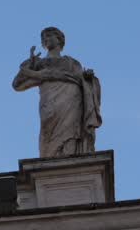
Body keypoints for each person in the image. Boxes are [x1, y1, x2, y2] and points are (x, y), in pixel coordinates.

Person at [12, 27, 103, 158]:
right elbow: (17, 84)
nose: (46, 39)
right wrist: (30, 64)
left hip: (71, 99)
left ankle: (71, 158)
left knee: (71, 130)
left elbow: (83, 81)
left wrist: (88, 78)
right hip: (49, 100)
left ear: (59, 40)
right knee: (48, 129)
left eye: (49, 36)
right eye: (43, 38)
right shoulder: (39, 62)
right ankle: (49, 162)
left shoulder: (71, 62)